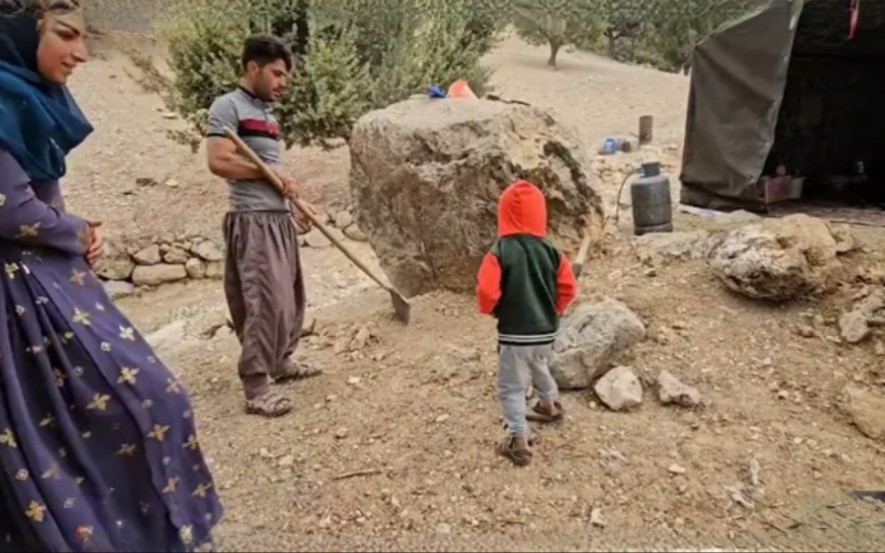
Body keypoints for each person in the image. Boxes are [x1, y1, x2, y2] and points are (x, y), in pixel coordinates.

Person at [0, 1, 222, 551]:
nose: (81, 52)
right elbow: (10, 209)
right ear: (23, 33)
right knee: (139, 405)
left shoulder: (26, 97)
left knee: (95, 423)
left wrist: (69, 232)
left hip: (52, 280)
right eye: (66, 36)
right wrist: (73, 232)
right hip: (20, 296)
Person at [206, 35, 321, 418]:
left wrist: (292, 200)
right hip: (252, 221)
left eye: (284, 75)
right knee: (264, 303)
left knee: (290, 299)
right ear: (252, 68)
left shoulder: (268, 117)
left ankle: (281, 363)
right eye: (276, 73)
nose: (282, 82)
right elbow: (220, 162)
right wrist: (266, 171)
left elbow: (272, 173)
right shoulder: (228, 106)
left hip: (277, 218)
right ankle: (256, 385)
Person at [476, 180, 578, 466]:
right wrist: (552, 310)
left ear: (503, 213)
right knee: (539, 365)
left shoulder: (500, 250)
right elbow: (569, 287)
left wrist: (492, 308)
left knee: (511, 386)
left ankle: (518, 440)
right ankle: (548, 404)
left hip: (515, 334)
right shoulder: (551, 250)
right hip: (546, 331)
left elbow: (486, 290)